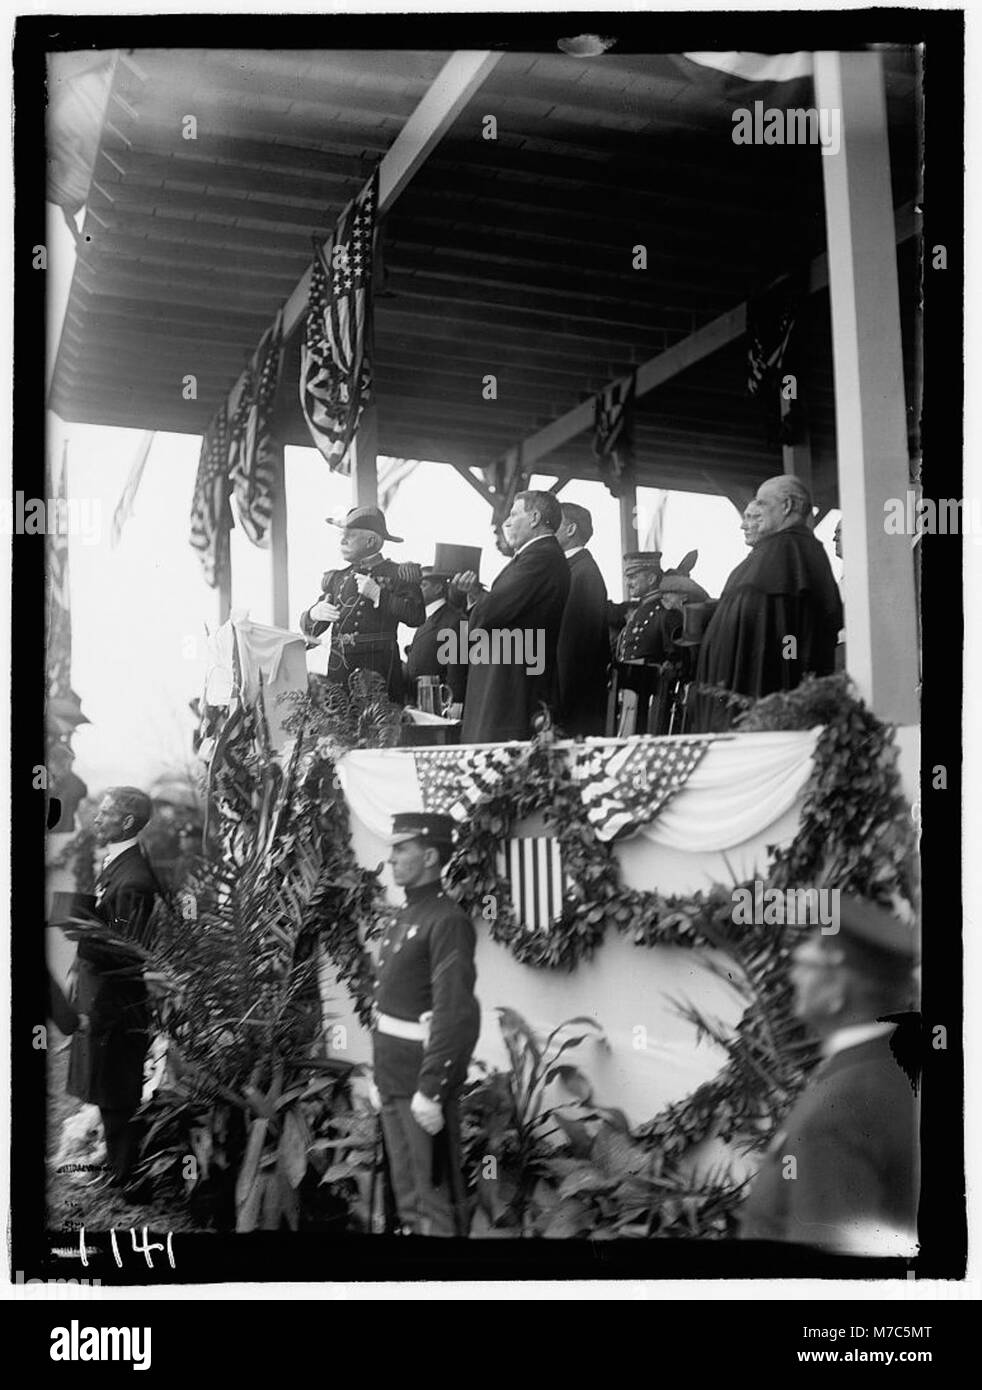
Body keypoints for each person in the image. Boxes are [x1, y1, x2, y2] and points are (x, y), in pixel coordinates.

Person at [739, 894, 919, 1253]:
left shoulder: (842, 1107)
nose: (793, 975)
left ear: (838, 991)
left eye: (808, 965)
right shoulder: (892, 1068)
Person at [371, 812, 480, 1236]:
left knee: (434, 1202)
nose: (392, 857)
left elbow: (454, 1012)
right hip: (394, 1077)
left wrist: (432, 1089)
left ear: (431, 855)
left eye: (402, 848)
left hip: (421, 1083)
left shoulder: (447, 920)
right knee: (408, 1198)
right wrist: (380, 1077)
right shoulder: (406, 915)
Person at [690, 475, 842, 732]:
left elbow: (793, 636)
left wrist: (789, 667)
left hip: (763, 698)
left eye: (761, 504)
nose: (744, 524)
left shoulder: (793, 553)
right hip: (741, 699)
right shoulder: (774, 552)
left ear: (787, 506)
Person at [67, 786, 160, 1194]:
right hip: (105, 999)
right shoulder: (119, 865)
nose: (96, 819)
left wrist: (81, 932)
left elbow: (127, 953)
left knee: (118, 1090)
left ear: (126, 822)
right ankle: (121, 1170)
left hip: (119, 1004)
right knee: (108, 1087)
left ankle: (130, 1178)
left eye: (104, 814)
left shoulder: (135, 879)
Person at [453, 490, 571, 743]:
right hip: (508, 675)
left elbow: (494, 610)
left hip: (511, 682)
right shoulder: (538, 556)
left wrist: (478, 601)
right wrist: (476, 594)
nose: (506, 522)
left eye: (514, 513)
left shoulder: (540, 556)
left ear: (535, 518)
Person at [299, 505, 424, 704]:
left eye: (350, 535)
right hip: (340, 671)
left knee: (380, 728)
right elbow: (310, 630)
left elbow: (416, 616)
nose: (342, 540)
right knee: (340, 728)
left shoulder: (399, 574)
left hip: (379, 669)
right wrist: (314, 614)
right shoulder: (336, 579)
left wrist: (379, 595)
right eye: (342, 534)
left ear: (371, 541)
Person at [555, 502, 610, 736]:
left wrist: (557, 702)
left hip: (573, 704)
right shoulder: (572, 570)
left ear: (571, 530)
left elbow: (572, 646)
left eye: (555, 524)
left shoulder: (582, 574)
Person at [404, 565, 468, 717]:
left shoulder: (456, 620)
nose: (417, 590)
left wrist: (455, 703)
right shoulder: (425, 619)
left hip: (441, 706)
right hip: (421, 703)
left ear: (438, 588)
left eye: (423, 585)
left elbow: (457, 668)